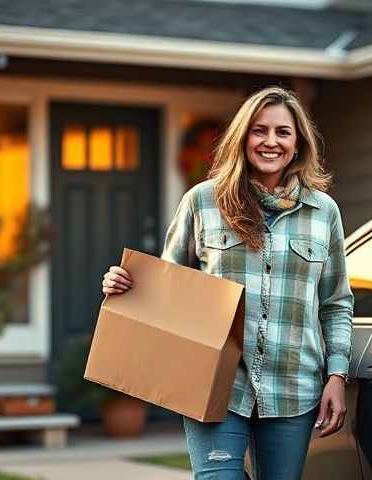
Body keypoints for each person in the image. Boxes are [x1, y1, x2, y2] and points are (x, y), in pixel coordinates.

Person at [101, 86, 353, 479]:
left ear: (298, 142)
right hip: (215, 385)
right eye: (259, 130)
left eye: (283, 132)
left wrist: (336, 376)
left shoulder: (324, 213)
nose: (271, 142)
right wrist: (125, 286)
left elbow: (336, 303)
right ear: (243, 138)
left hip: (293, 390)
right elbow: (169, 287)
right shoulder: (203, 201)